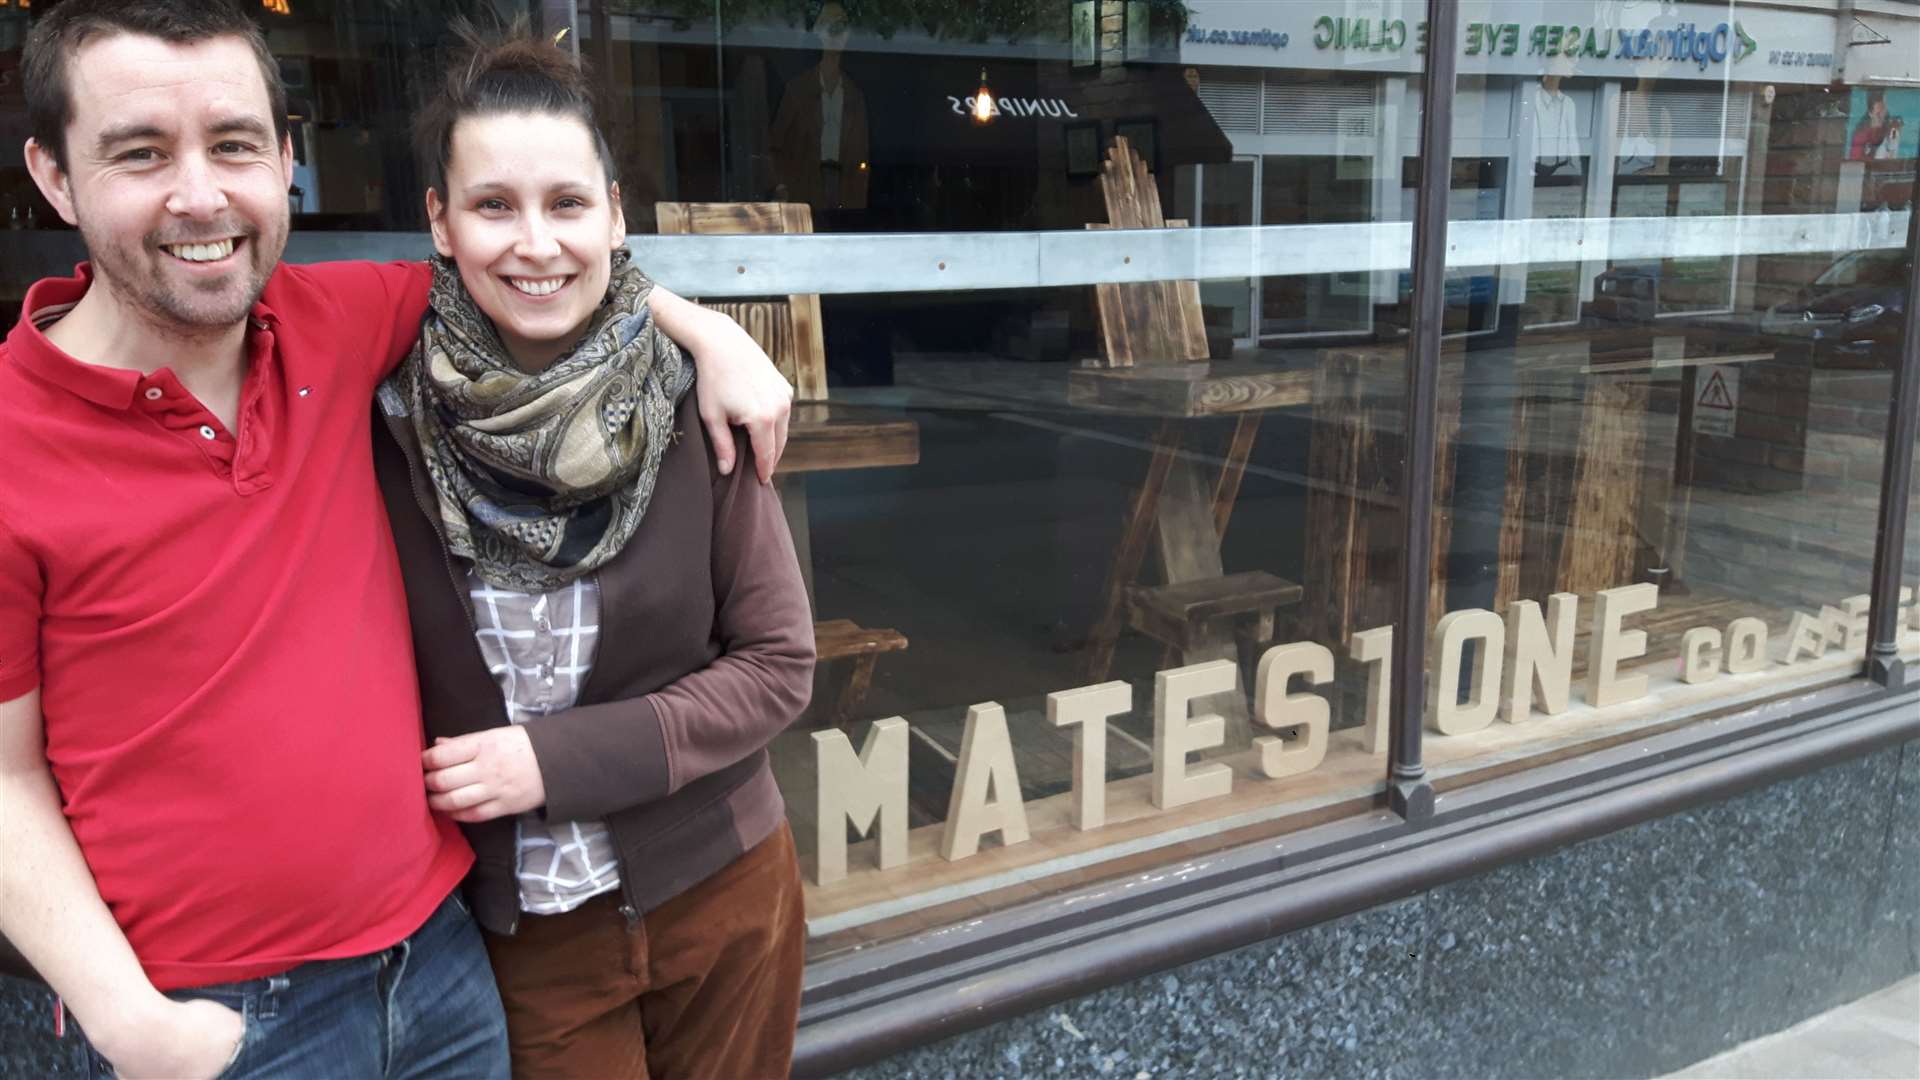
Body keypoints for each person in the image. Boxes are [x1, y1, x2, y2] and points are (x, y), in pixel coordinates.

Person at [0, 2, 790, 1078]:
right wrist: (130, 1022)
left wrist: (712, 333)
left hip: (443, 965)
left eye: (233, 144)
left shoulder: (339, 330)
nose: (199, 194)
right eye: (140, 153)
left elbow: (550, 284)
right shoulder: (25, 440)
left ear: (285, 161)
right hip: (225, 1014)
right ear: (52, 175)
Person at [377, 29, 813, 1078]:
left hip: (721, 889)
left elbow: (777, 668)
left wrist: (554, 761)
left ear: (615, 215)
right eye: (494, 206)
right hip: (527, 935)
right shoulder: (382, 421)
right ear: (440, 221)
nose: (536, 243)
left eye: (568, 204)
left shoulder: (690, 397)